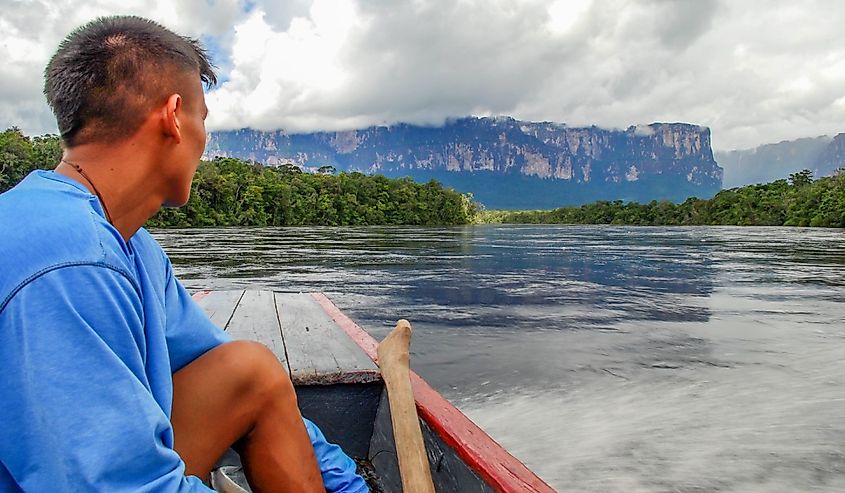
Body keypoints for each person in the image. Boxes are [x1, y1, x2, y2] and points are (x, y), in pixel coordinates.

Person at [0, 15, 367, 493]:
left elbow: (228, 365)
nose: (204, 141)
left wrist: (348, 488)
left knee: (248, 370)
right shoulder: (71, 260)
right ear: (174, 117)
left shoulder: (129, 243)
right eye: (204, 120)